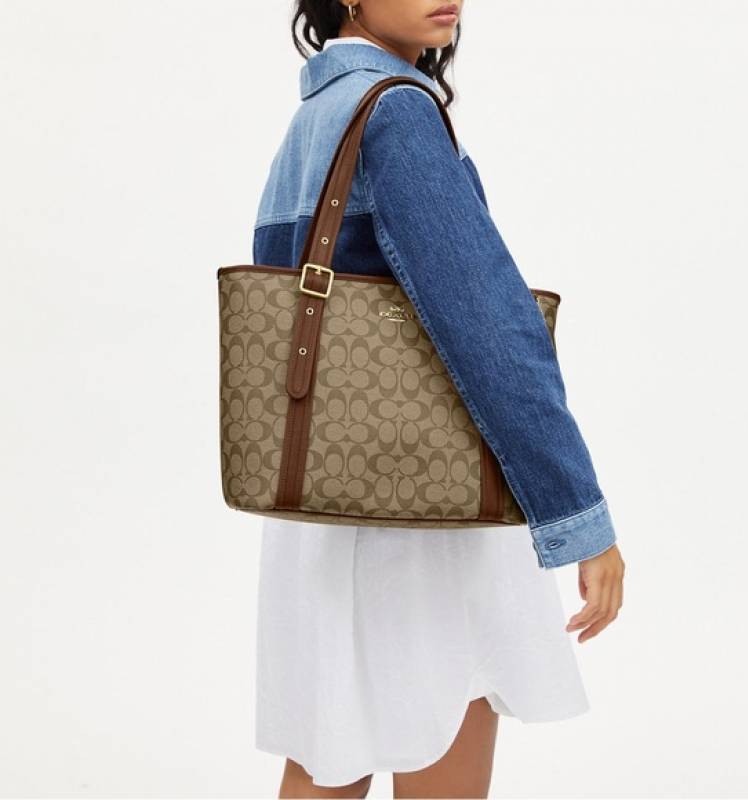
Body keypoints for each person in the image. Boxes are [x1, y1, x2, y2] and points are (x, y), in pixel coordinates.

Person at [251, 1, 626, 796]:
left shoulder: (318, 113)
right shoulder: (395, 114)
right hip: (424, 510)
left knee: (329, 757)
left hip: (325, 504)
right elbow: (490, 329)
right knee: (445, 721)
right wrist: (577, 517)